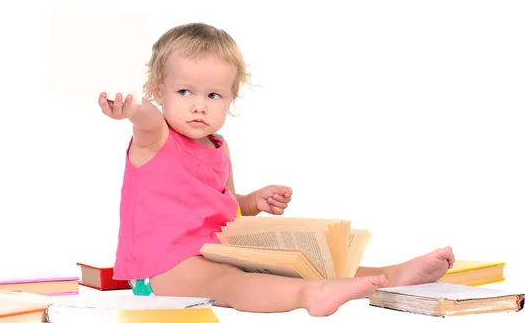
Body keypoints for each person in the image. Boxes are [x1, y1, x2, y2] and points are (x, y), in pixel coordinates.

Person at [98, 22, 455, 317]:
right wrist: (131, 109)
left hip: (216, 247)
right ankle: (307, 295)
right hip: (164, 268)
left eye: (213, 96)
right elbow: (144, 119)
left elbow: (226, 202)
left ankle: (391, 275)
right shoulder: (156, 137)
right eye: (185, 91)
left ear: (231, 97)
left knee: (304, 263)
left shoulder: (219, 146)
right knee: (227, 282)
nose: (199, 107)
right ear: (159, 91)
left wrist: (253, 201)